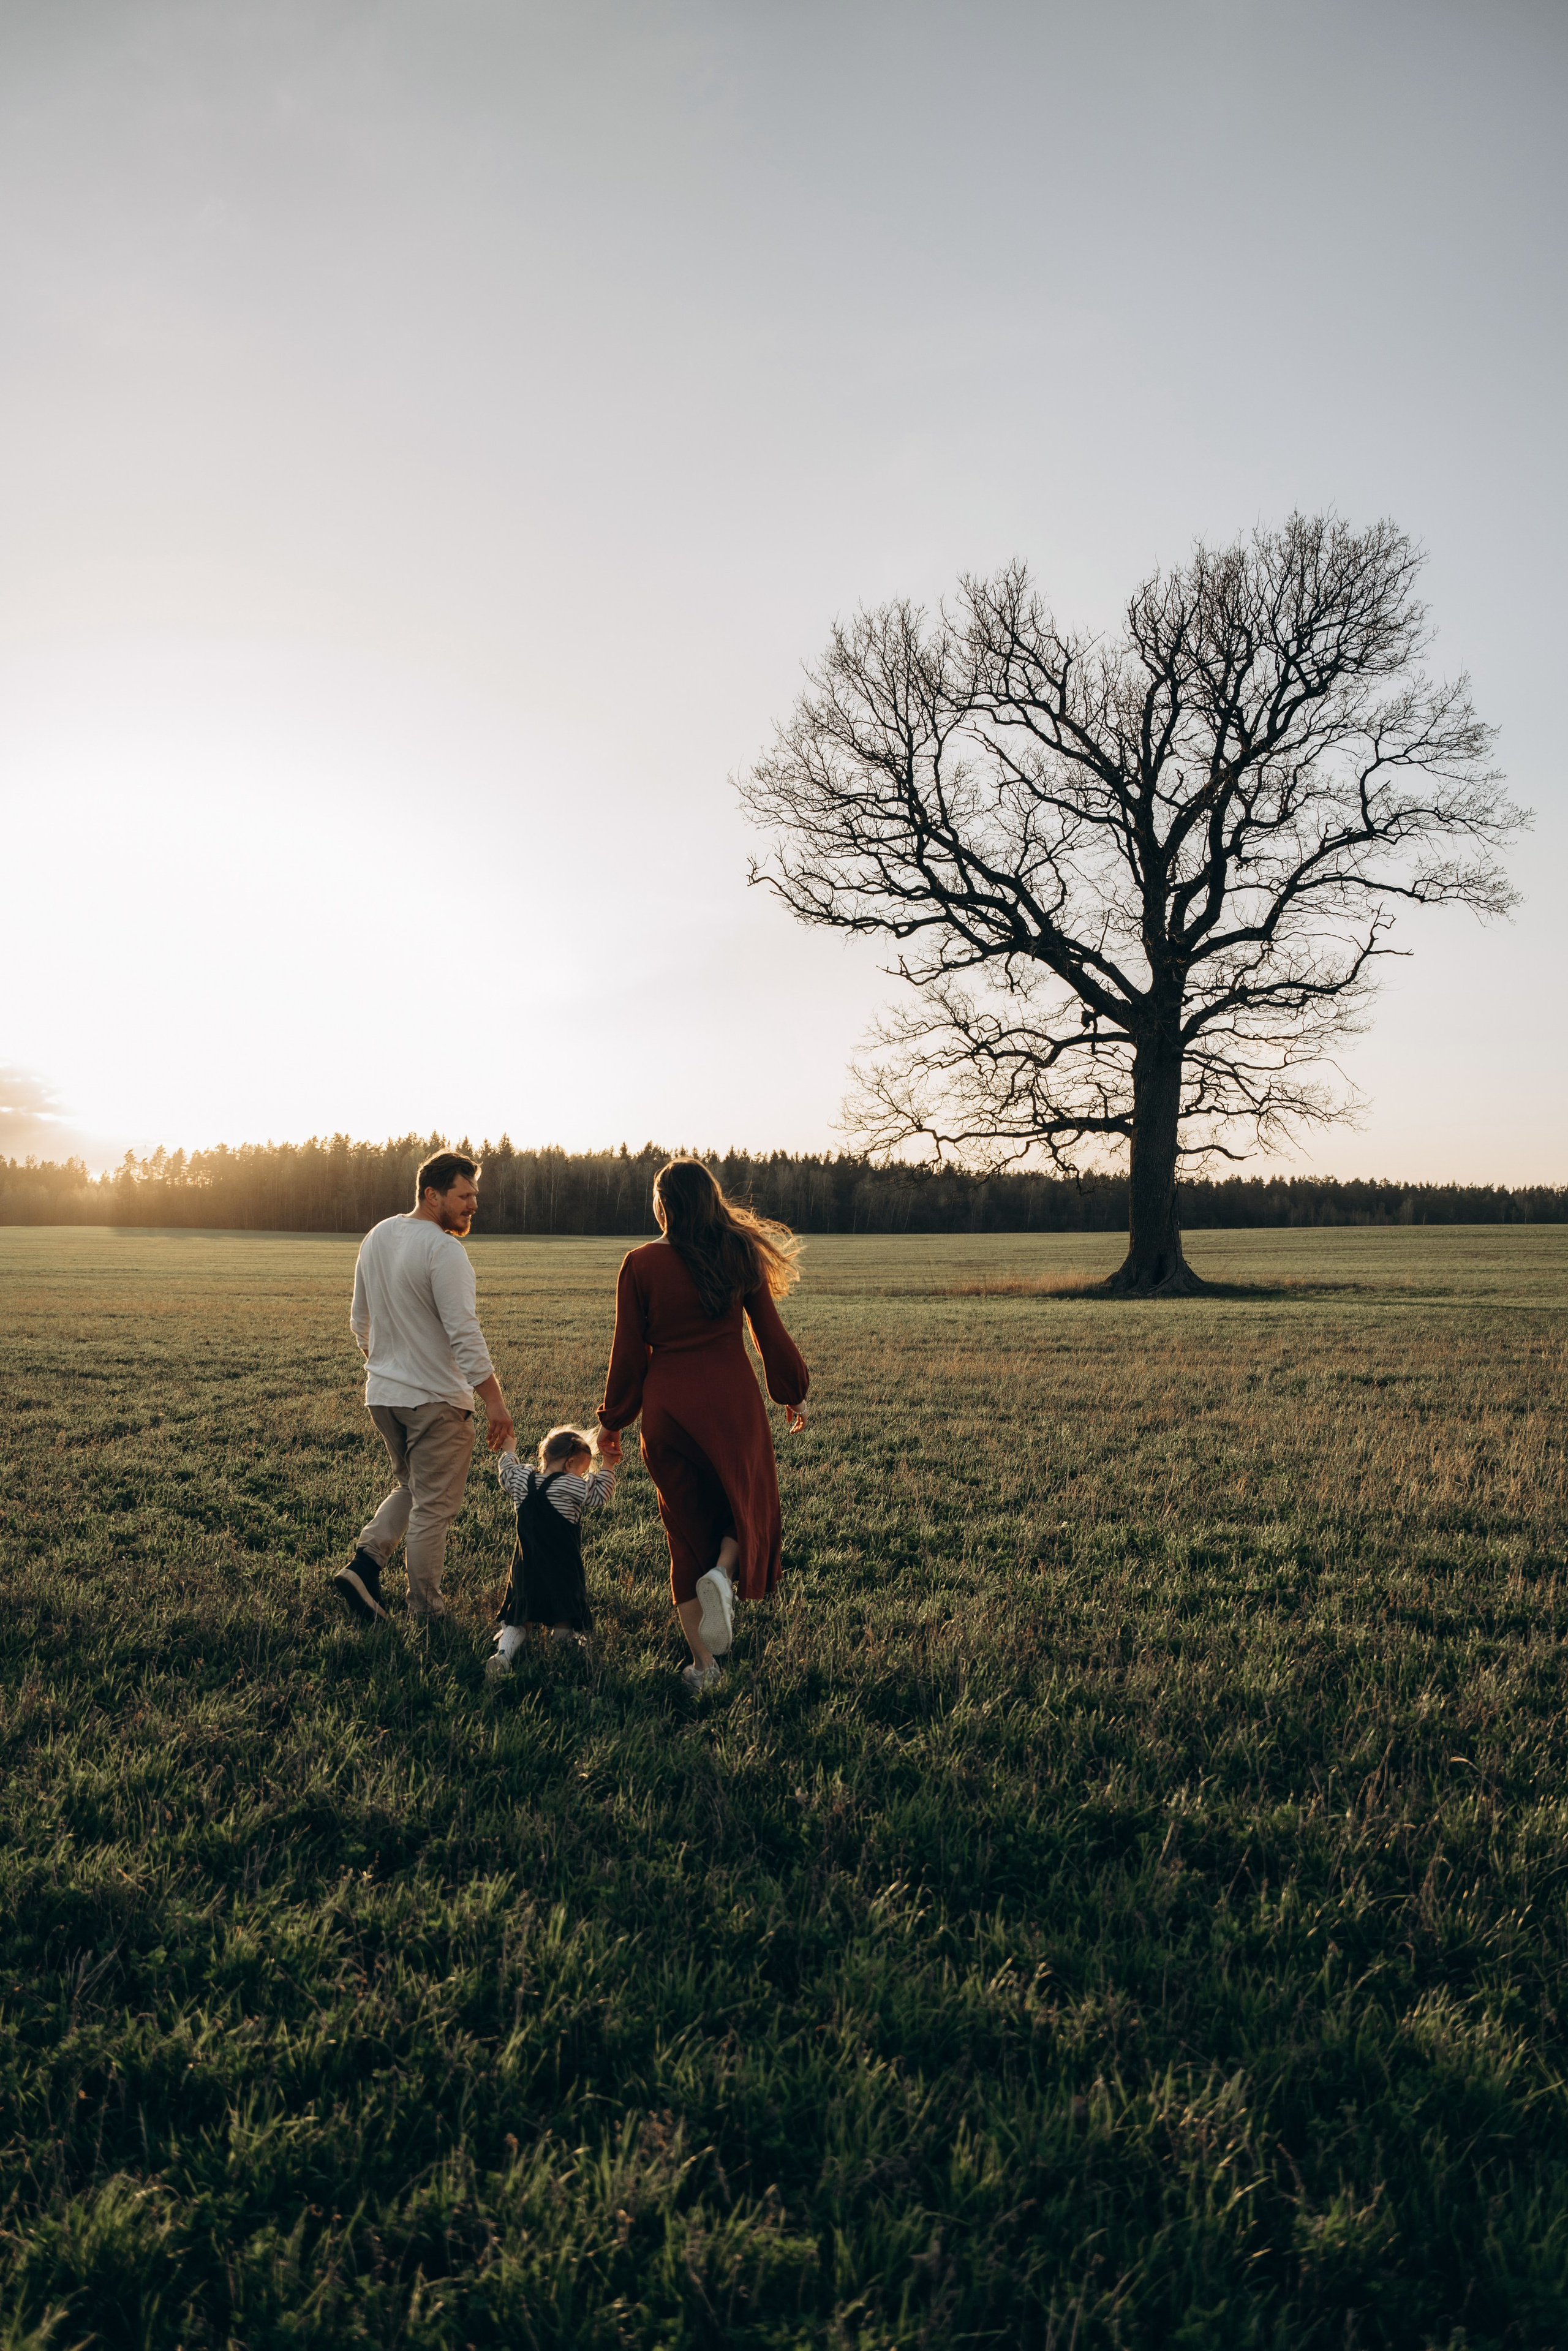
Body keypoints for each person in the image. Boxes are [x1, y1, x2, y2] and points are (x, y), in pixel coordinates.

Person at [597, 1158, 808, 1690]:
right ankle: (726, 1569)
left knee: (684, 1534)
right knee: (748, 1499)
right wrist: (791, 1393)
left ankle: (704, 1668)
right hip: (733, 1404)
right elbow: (769, 1332)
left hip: (669, 1411)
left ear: (662, 1204)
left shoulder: (640, 1264)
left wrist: (614, 1421)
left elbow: (628, 1354)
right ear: (711, 1200)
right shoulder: (739, 1252)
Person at [333, 1148, 515, 1625]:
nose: (473, 1205)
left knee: (416, 1487)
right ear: (432, 1195)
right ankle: (428, 1614)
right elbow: (464, 1331)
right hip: (435, 1401)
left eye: (475, 1196)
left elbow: (359, 1321)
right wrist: (494, 1401)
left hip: (384, 1397)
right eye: (464, 1195)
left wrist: (388, 1366)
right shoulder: (443, 1249)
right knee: (435, 1508)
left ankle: (365, 1565)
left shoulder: (378, 1236)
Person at [487, 1425, 616, 1677]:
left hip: (526, 1567)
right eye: (582, 1471)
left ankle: (504, 1654)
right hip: (562, 1567)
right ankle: (562, 1653)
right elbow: (599, 1495)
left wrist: (510, 1451)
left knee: (520, 1615)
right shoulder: (570, 1485)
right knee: (564, 1613)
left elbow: (507, 1473)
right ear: (569, 1465)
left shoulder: (523, 1478)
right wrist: (608, 1464)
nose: (582, 1476)